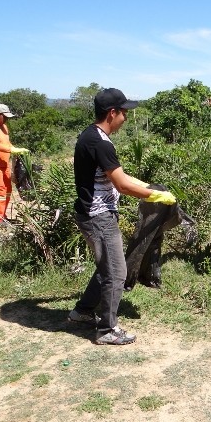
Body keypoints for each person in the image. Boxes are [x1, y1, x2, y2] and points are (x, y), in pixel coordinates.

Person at [68, 87, 177, 345]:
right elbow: (123, 186)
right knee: (117, 272)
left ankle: (82, 311)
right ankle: (106, 330)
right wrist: (155, 197)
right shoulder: (100, 142)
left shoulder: (90, 135)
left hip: (92, 213)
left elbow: (120, 176)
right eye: (124, 113)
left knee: (107, 266)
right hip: (99, 216)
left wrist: (148, 187)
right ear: (112, 113)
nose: (126, 118)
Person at [0, 104, 29, 226]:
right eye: (4, 116)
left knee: (7, 190)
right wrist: (13, 150)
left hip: (4, 163)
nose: (7, 118)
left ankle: (2, 216)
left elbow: (7, 144)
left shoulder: (4, 127)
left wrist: (16, 149)